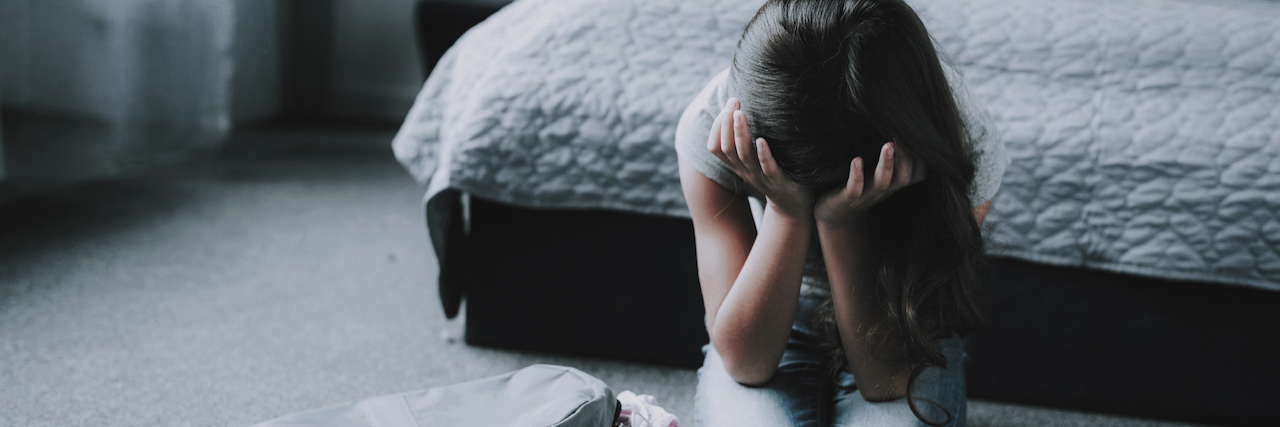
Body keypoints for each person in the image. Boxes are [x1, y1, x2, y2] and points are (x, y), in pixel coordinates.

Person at [673, 0, 1010, 426]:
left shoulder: (963, 144)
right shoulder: (716, 128)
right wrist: (786, 211)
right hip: (773, 301)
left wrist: (841, 225)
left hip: (899, 309)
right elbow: (746, 364)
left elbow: (886, 380)